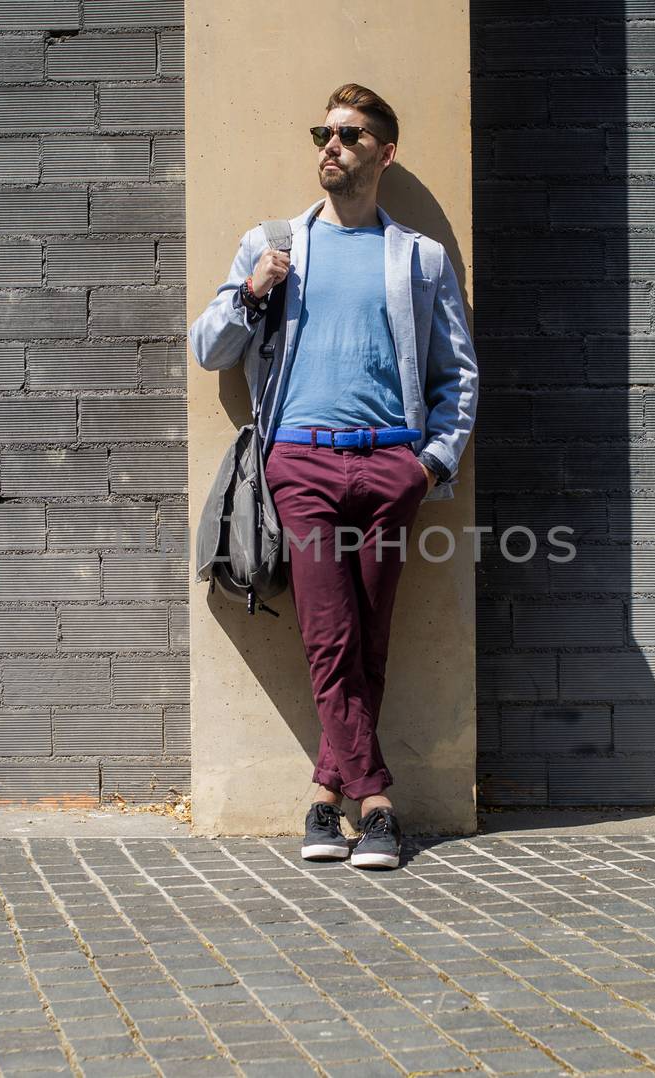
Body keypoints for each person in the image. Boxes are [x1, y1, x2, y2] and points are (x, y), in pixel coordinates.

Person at [188, 83, 478, 870]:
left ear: (385, 153)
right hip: (301, 461)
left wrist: (431, 464)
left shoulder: (418, 258)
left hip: (391, 464)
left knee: (370, 636)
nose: (332, 145)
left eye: (351, 135)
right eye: (325, 131)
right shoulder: (273, 243)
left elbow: (460, 372)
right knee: (330, 633)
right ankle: (377, 801)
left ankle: (324, 800)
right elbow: (207, 346)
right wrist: (252, 293)